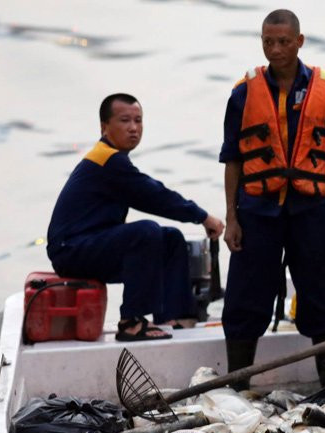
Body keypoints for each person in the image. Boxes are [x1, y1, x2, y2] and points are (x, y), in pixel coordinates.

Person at [219, 9, 325, 388]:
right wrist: (231, 218)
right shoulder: (243, 91)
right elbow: (232, 159)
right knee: (245, 298)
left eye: (283, 42)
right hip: (256, 212)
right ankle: (237, 387)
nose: (275, 49)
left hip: (309, 210)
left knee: (324, 294)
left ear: (300, 41)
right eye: (268, 42)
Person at [47, 93, 224, 341]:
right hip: (71, 251)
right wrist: (203, 217)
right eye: (125, 120)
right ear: (104, 127)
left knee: (170, 238)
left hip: (91, 244)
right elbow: (155, 196)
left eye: (138, 120)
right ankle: (131, 322)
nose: (133, 128)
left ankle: (175, 319)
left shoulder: (115, 160)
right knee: (146, 232)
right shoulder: (106, 160)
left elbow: (151, 194)